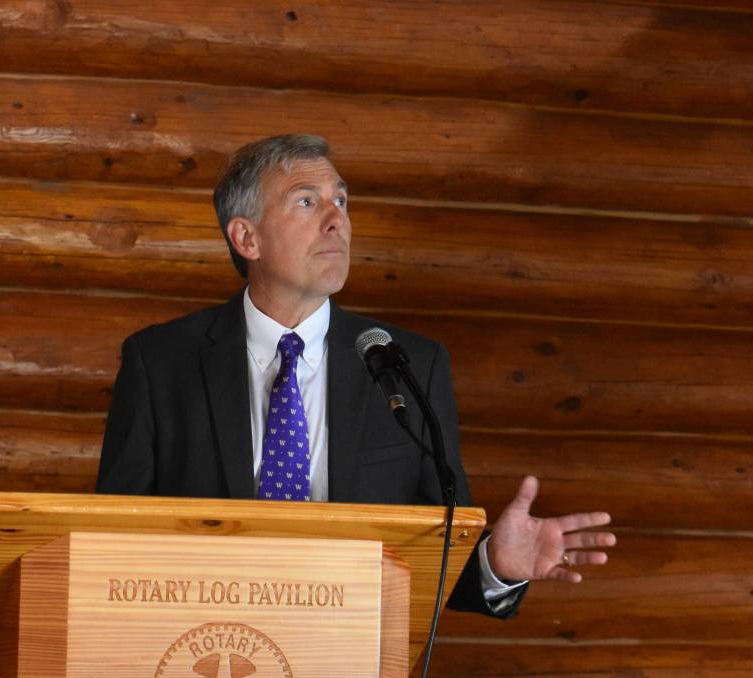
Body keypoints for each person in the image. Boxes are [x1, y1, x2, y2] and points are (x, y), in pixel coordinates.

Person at [96, 134, 614, 618]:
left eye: (340, 201)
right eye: (306, 201)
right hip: (200, 660)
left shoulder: (409, 364)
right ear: (246, 237)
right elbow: (112, 545)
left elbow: (436, 557)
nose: (335, 220)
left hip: (350, 671)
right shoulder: (160, 362)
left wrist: (495, 566)